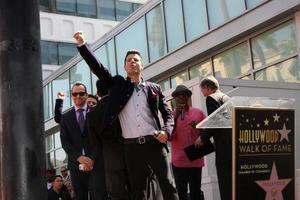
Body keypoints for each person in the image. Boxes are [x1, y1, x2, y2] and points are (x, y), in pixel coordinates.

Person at [74, 31, 178, 200]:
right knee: (137, 191)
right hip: (131, 148)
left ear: (142, 65)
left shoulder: (154, 88)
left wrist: (166, 131)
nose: (132, 62)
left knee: (168, 185)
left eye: (136, 60)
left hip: (154, 144)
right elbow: (98, 68)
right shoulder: (117, 85)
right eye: (129, 60)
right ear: (125, 67)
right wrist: (82, 45)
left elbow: (167, 113)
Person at [60, 83, 106, 200]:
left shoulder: (96, 112)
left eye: (81, 93)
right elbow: (65, 142)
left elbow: (101, 139)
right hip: (76, 166)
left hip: (96, 164)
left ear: (86, 95)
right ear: (72, 96)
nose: (78, 96)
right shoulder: (65, 117)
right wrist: (79, 157)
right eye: (75, 94)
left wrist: (91, 159)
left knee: (99, 196)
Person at [87, 79, 130, 200]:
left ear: (98, 93)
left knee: (117, 194)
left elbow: (95, 144)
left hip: (110, 159)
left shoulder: (91, 115)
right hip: (129, 152)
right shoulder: (122, 104)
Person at [195, 76, 231, 200]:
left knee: (225, 182)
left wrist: (202, 138)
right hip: (233, 146)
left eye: (202, 89)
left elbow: (215, 121)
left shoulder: (211, 98)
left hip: (223, 149)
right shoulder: (227, 97)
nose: (202, 93)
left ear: (207, 88)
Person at [170, 85, 206, 200]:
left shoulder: (198, 113)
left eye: (185, 95)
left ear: (188, 97)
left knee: (196, 192)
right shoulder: (170, 115)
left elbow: (206, 134)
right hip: (179, 160)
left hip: (195, 158)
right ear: (175, 99)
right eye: (178, 95)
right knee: (182, 192)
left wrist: (197, 127)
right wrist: (175, 118)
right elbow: (169, 138)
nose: (181, 97)